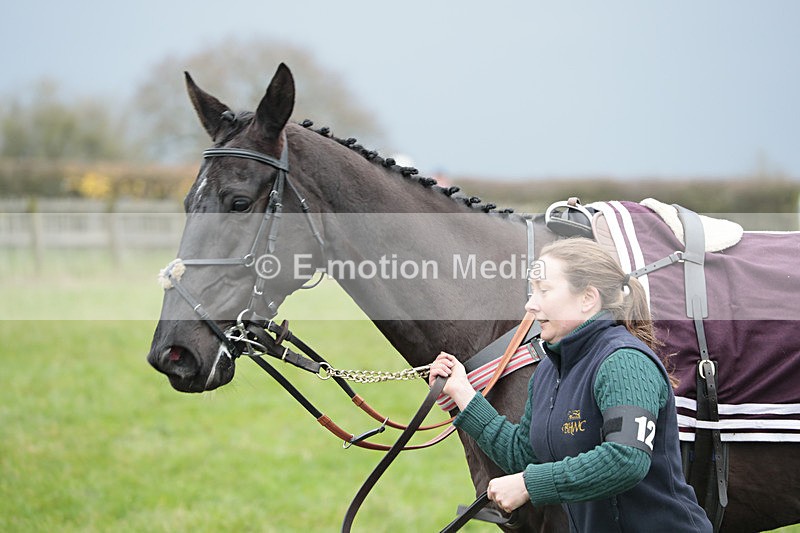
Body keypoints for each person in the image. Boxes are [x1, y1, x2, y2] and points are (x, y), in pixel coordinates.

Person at [429, 237, 711, 532]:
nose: (530, 304)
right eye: (532, 291)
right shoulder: (548, 373)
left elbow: (626, 460)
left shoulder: (624, 361)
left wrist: (528, 484)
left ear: (588, 298)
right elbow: (523, 454)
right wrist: (463, 393)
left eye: (544, 291)